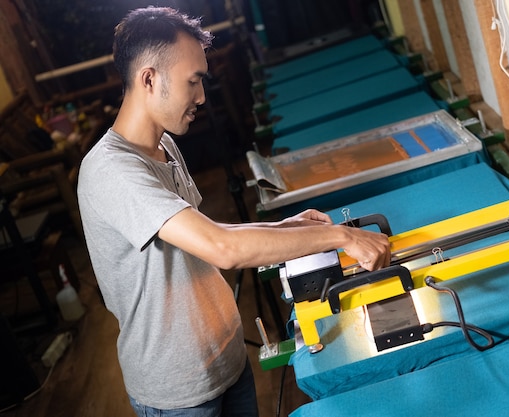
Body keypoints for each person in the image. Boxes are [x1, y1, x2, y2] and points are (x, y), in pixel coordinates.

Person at [76, 6, 390, 417]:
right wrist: (343, 236)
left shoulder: (164, 146)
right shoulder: (111, 170)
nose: (202, 96)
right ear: (149, 78)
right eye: (194, 81)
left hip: (225, 361)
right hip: (180, 392)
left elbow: (199, 234)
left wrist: (284, 228)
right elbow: (222, 248)